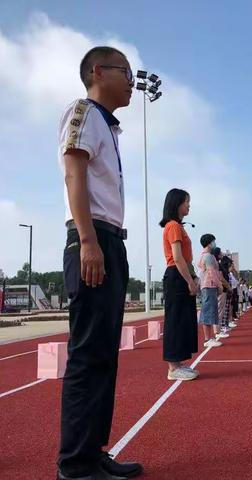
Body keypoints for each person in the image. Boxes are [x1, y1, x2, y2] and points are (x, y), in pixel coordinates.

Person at [57, 46, 142, 480]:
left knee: (104, 354)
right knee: (88, 354)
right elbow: (74, 172)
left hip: (110, 240)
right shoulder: (83, 112)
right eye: (125, 71)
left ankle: (93, 452)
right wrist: (88, 241)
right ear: (97, 71)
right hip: (93, 239)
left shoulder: (107, 126)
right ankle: (75, 464)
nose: (131, 80)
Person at [160, 189, 199, 382]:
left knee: (183, 320)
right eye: (186, 202)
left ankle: (178, 363)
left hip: (181, 274)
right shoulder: (173, 225)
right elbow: (177, 258)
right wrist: (190, 281)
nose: (189, 205)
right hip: (176, 276)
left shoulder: (178, 226)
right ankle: (172, 368)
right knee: (175, 321)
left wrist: (193, 277)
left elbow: (186, 258)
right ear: (177, 204)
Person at [197, 234, 223, 348]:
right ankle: (207, 339)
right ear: (209, 243)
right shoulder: (207, 256)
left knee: (211, 311)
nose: (215, 244)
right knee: (208, 311)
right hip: (209, 286)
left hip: (209, 286)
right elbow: (211, 272)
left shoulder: (207, 256)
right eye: (213, 241)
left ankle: (210, 337)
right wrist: (219, 285)